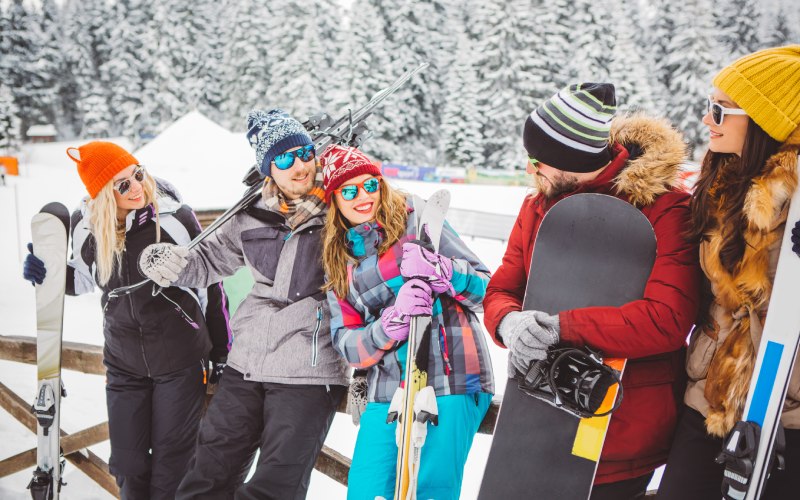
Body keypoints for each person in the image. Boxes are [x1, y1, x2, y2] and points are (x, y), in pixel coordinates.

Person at [482, 83, 701, 500]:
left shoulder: (665, 208)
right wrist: (509, 322)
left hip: (621, 427)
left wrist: (560, 327)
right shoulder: (539, 205)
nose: (531, 171)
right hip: (536, 423)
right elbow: (503, 287)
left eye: (538, 161)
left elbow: (667, 319)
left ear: (573, 160)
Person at [137, 109, 348, 499]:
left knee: (274, 487)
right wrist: (173, 265)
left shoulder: (343, 205)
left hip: (309, 367)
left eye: (304, 152)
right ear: (268, 167)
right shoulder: (251, 215)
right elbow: (208, 262)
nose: (299, 165)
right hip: (246, 363)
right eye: (284, 159)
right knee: (208, 475)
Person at [22, 141, 231, 500]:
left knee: (173, 471)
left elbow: (210, 286)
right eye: (122, 185)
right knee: (128, 468)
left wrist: (223, 353)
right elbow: (87, 278)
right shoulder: (86, 228)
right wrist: (49, 274)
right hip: (123, 364)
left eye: (138, 174)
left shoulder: (175, 218)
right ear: (103, 195)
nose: (137, 187)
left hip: (180, 363)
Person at [657, 45, 800, 499]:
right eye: (708, 108)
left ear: (764, 119)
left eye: (719, 110)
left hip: (786, 412)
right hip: (707, 401)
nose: (707, 121)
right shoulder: (721, 187)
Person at [319, 144, 495, 500]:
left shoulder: (417, 219)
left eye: (370, 185)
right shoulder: (339, 262)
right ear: (334, 200)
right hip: (388, 389)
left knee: (430, 491)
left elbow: (487, 292)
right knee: (367, 490)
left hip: (454, 375)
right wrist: (389, 324)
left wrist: (444, 272)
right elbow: (348, 345)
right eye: (349, 191)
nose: (363, 196)